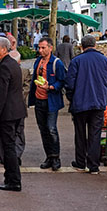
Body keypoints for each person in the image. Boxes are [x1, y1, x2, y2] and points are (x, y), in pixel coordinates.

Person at [65, 34, 107, 174]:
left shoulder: (77, 61)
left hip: (80, 103)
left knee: (80, 134)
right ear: (95, 45)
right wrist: (104, 97)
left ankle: (80, 162)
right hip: (98, 103)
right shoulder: (104, 61)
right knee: (95, 134)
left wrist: (72, 98)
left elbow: (70, 83)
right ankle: (93, 165)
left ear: (82, 46)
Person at [0, 37, 28, 191]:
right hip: (17, 111)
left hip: (9, 113)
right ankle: (12, 179)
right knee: (10, 145)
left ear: (4, 49)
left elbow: (1, 94)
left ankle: (13, 181)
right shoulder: (13, 64)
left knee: (8, 146)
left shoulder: (5, 66)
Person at [28, 37, 66, 171]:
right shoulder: (38, 61)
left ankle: (56, 157)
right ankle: (49, 156)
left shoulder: (57, 63)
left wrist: (50, 87)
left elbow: (62, 81)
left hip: (51, 102)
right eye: (39, 47)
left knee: (51, 129)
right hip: (39, 100)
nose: (40, 50)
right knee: (43, 129)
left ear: (50, 48)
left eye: (43, 47)